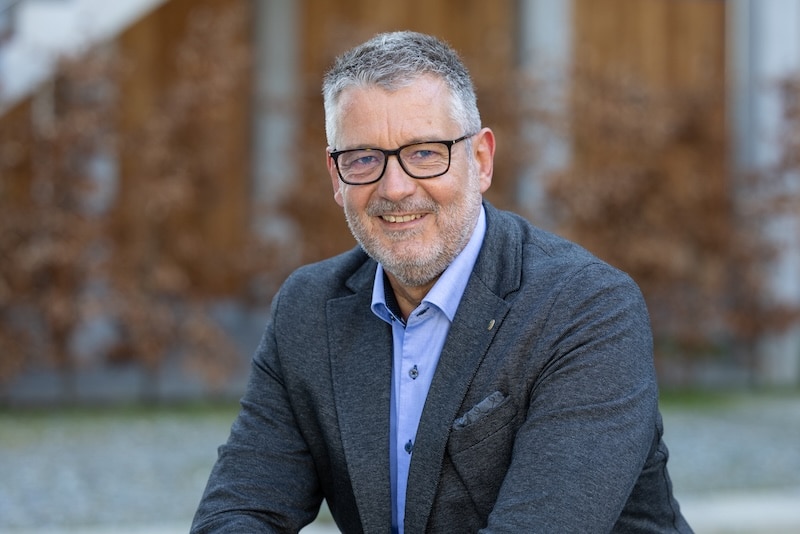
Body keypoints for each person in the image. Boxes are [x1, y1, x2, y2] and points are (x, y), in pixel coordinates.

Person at [191, 31, 692, 533]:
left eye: (426, 153)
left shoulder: (587, 309)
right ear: (336, 177)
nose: (395, 188)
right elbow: (238, 512)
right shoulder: (308, 309)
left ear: (481, 160)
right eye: (363, 158)